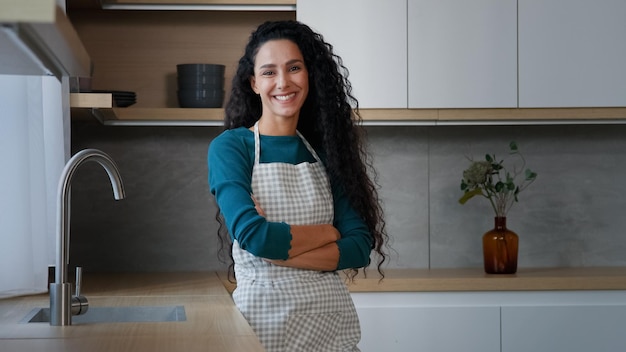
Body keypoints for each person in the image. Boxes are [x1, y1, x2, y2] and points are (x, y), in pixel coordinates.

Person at [208, 20, 388, 352]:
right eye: (268, 72)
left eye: (294, 68)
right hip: (263, 331)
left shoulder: (325, 154)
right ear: (253, 83)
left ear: (309, 75)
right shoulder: (232, 148)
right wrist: (329, 232)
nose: (283, 82)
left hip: (331, 330)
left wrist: (278, 252)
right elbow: (255, 236)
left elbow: (360, 247)